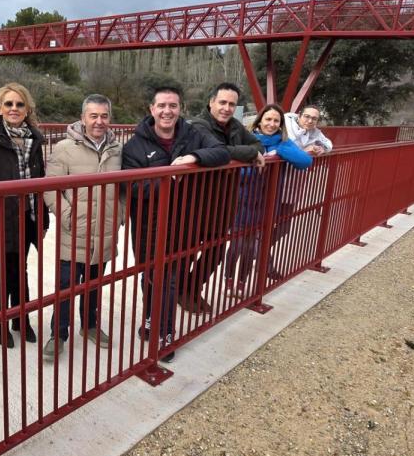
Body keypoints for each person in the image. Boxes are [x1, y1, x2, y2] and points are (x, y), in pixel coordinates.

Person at [122, 86, 229, 362]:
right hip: (148, 226)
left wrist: (194, 158)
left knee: (169, 279)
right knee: (149, 275)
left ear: (180, 109)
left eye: (173, 106)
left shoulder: (193, 134)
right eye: (162, 106)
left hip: (183, 223)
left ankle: (165, 334)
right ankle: (149, 319)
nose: (167, 111)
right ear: (152, 110)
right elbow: (133, 186)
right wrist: (169, 178)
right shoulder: (135, 145)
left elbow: (221, 152)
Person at [41, 94, 123, 360]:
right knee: (66, 285)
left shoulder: (118, 150)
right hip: (74, 232)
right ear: (82, 117)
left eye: (104, 116)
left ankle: (89, 326)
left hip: (106, 232)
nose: (99, 121)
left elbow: (124, 189)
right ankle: (58, 334)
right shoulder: (64, 148)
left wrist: (120, 215)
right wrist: (68, 216)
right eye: (93, 115)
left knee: (94, 284)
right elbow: (49, 189)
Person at [0, 83, 49, 349]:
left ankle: (20, 318)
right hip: (0, 218)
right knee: (4, 270)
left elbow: (39, 179)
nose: (14, 109)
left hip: (28, 216)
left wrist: (42, 217)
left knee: (21, 268)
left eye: (19, 104)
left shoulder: (35, 139)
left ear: (27, 109)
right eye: (9, 104)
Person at [188, 82, 265, 309]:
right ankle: (181, 292)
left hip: (223, 201)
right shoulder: (197, 125)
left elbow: (257, 143)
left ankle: (192, 288)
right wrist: (250, 153)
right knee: (187, 253)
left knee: (216, 251)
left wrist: (251, 151)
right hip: (197, 201)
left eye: (232, 104)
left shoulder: (234, 126)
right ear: (211, 102)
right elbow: (218, 151)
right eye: (222, 102)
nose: (227, 108)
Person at [224, 104, 312, 294]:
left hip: (264, 203)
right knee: (238, 244)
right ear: (259, 120)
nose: (271, 124)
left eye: (276, 121)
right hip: (243, 202)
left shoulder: (282, 142)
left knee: (249, 246)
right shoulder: (248, 140)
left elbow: (305, 161)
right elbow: (239, 173)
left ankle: (241, 283)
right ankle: (229, 280)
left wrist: (279, 152)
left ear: (281, 125)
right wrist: (256, 162)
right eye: (268, 119)